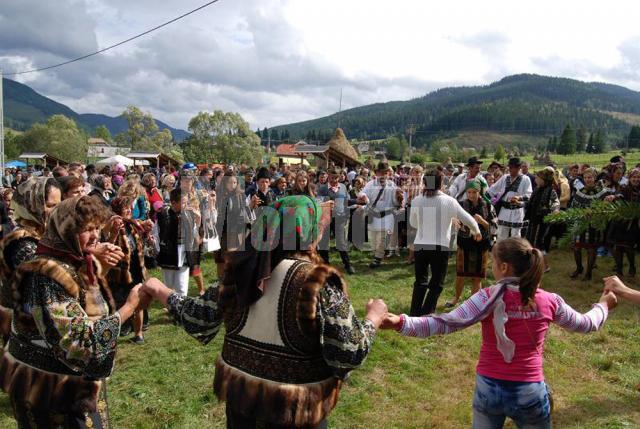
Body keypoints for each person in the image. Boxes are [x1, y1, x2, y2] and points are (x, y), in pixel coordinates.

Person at [140, 195, 387, 428]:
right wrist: (373, 318)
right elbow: (348, 353)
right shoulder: (317, 282)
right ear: (309, 230)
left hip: (242, 406)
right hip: (295, 412)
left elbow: (198, 319)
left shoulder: (241, 270)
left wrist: (160, 289)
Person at [382, 237, 617, 429]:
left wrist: (400, 322)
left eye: (492, 262)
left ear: (503, 267)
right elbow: (587, 324)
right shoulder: (549, 301)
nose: (490, 267)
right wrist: (604, 305)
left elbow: (445, 323)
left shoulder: (488, 298)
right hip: (530, 391)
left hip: (488, 389)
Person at [0, 196, 138, 428]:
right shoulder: (46, 274)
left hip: (71, 387)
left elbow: (87, 307)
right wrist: (130, 308)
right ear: (65, 229)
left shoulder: (73, 261)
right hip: (48, 393)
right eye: (86, 229)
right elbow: (78, 343)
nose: (95, 235)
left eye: (97, 228)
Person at [409, 169, 481, 316]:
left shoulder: (417, 200)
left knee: (420, 281)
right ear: (441, 183)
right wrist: (476, 231)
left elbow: (413, 223)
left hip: (421, 244)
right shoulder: (449, 202)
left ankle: (414, 313)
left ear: (424, 183)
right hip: (440, 246)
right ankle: (427, 313)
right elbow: (468, 219)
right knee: (436, 283)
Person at [0, 178, 62, 341]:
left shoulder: (43, 234)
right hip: (28, 333)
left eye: (59, 204)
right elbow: (45, 279)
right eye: (50, 205)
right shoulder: (23, 242)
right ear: (32, 205)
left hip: (43, 324)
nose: (57, 210)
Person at [104, 197, 149, 344]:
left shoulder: (134, 224)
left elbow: (141, 243)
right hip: (120, 274)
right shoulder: (110, 226)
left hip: (136, 270)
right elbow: (107, 247)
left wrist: (147, 232)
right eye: (125, 208)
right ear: (117, 211)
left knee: (138, 302)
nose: (129, 210)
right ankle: (117, 332)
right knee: (120, 304)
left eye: (129, 207)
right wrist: (114, 233)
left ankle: (139, 334)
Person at [447, 179, 496, 308]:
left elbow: (494, 226)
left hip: (481, 245)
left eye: (474, 192)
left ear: (479, 192)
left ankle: (474, 303)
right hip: (465, 243)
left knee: (477, 276)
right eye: (469, 192)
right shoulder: (460, 205)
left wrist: (482, 221)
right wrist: (454, 221)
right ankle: (456, 298)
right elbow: (452, 218)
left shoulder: (487, 205)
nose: (471, 195)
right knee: (460, 274)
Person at [569, 168, 612, 280]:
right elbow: (573, 207)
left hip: (594, 224)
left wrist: (597, 212)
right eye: (585, 177)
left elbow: (606, 208)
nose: (588, 179)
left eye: (590, 177)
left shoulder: (602, 192)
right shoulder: (579, 192)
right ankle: (579, 268)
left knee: (591, 249)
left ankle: (589, 273)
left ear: (595, 178)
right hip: (580, 223)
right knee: (577, 248)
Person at [359, 162, 403, 269]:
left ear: (388, 173)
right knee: (374, 239)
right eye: (381, 172)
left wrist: (399, 198)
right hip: (374, 214)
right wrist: (364, 197)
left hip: (387, 215)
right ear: (376, 172)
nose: (383, 175)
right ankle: (377, 254)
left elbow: (396, 203)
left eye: (385, 172)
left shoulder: (392, 185)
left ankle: (377, 258)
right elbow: (363, 193)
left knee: (383, 238)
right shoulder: (370, 184)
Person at [156, 188, 199, 297]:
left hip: (184, 253)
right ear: (173, 203)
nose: (186, 205)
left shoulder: (189, 214)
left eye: (186, 202)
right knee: (169, 286)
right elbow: (157, 234)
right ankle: (170, 304)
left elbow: (195, 233)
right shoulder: (163, 215)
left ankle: (181, 307)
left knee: (182, 286)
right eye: (183, 202)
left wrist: (198, 220)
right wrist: (158, 250)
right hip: (169, 254)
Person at [317, 167, 356, 274]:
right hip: (326, 219)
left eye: (336, 178)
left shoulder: (343, 187)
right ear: (328, 177)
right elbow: (318, 203)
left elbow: (347, 201)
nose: (334, 180)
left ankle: (347, 265)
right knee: (324, 243)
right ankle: (325, 265)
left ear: (339, 177)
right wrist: (327, 203)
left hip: (340, 218)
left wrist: (358, 200)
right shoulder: (323, 189)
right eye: (332, 178)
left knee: (341, 242)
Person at [214, 172, 251, 280]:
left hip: (236, 232)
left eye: (235, 182)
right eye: (230, 182)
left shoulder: (241, 196)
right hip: (222, 232)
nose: (232, 185)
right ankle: (220, 282)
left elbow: (246, 214)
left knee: (234, 258)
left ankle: (234, 282)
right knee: (221, 260)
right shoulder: (219, 196)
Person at [488, 158, 532, 240]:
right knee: (501, 234)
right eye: (509, 167)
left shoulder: (526, 179)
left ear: (519, 168)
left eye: (512, 167)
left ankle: (514, 252)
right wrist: (483, 196)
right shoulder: (505, 178)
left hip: (517, 211)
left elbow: (529, 195)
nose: (510, 169)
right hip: (504, 210)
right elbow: (492, 190)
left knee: (515, 235)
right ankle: (501, 252)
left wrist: (519, 198)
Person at [525, 167, 560, 271]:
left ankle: (540, 266)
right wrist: (521, 203)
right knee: (533, 242)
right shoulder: (537, 189)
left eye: (537, 178)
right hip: (533, 219)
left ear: (543, 180)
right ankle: (541, 266)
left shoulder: (550, 191)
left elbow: (555, 202)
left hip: (542, 221)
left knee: (537, 243)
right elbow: (530, 202)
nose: (535, 179)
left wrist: (555, 210)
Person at [608, 168, 640, 277]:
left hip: (633, 224)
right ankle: (619, 269)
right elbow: (620, 195)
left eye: (638, 177)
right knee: (618, 247)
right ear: (629, 178)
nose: (636, 179)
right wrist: (614, 197)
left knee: (629, 248)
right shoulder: (624, 188)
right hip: (620, 223)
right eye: (633, 177)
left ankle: (632, 266)